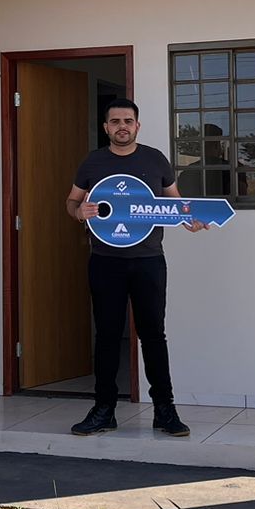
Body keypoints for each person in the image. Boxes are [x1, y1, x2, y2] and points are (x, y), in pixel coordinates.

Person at [63, 97, 206, 437]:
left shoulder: (155, 159)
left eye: (128, 121)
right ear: (106, 127)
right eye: (115, 121)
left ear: (137, 125)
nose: (122, 126)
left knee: (154, 335)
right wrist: (76, 212)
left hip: (148, 261)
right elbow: (72, 200)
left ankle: (165, 410)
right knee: (108, 336)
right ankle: (103, 410)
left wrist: (190, 218)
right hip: (105, 261)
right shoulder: (93, 162)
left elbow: (174, 201)